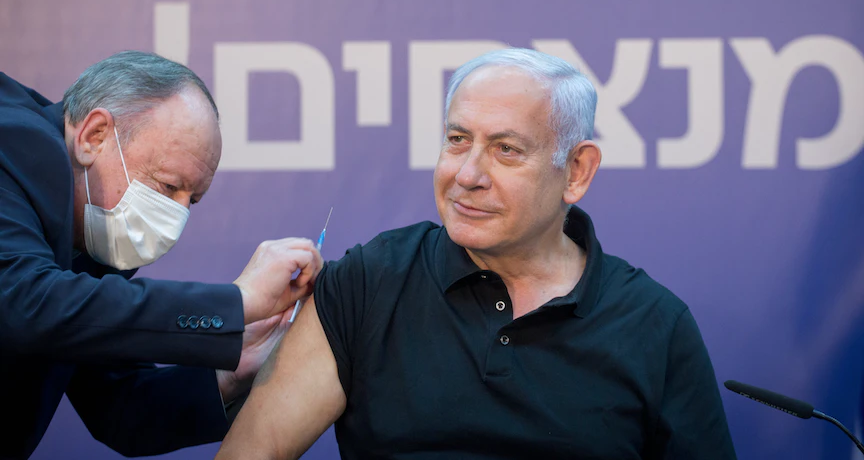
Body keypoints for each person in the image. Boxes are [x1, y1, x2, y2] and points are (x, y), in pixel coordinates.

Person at [217, 47, 737, 460]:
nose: (467, 175)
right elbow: (255, 451)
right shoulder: (370, 281)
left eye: (506, 150)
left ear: (576, 171)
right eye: (457, 139)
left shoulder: (653, 324)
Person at [0, 51, 324, 459]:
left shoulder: (96, 234)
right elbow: (24, 305)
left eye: (193, 200)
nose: (176, 218)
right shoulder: (10, 144)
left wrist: (232, 367)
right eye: (169, 187)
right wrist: (236, 303)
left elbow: (120, 407)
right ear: (94, 136)